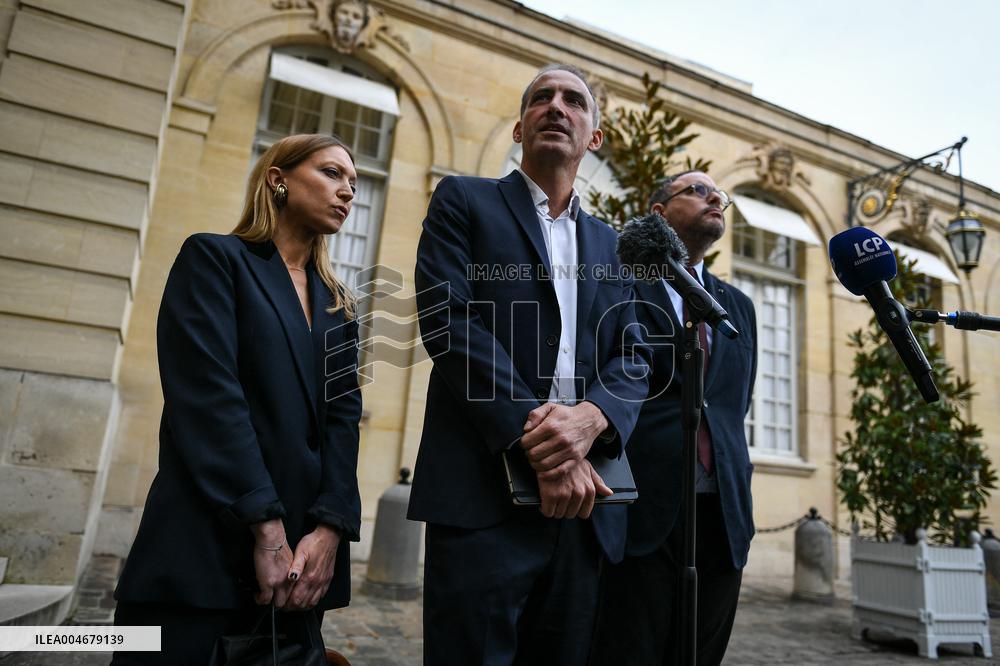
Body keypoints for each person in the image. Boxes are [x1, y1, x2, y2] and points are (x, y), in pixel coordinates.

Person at [408, 64, 651, 665]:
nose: (557, 107)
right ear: (519, 128)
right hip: (482, 498)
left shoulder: (614, 245)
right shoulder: (464, 200)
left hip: (587, 507)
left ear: (594, 137)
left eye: (574, 101)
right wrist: (544, 442)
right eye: (542, 98)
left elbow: (635, 355)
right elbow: (449, 321)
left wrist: (592, 419)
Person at [111, 134, 364, 664]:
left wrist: (330, 529)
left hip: (299, 568)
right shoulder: (214, 259)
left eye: (354, 183)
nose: (347, 191)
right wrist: (265, 528)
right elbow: (208, 400)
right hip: (203, 547)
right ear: (278, 179)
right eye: (331, 173)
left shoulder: (340, 305)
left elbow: (343, 422)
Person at [593, 170, 758, 666]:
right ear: (659, 212)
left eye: (719, 195)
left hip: (722, 512)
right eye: (697, 191)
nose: (714, 200)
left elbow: (734, 401)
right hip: (642, 505)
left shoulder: (738, 306)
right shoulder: (622, 286)